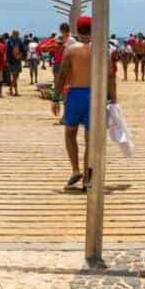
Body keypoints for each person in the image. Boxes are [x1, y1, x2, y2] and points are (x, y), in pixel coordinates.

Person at [58, 16, 107, 190]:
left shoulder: (70, 50)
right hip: (94, 95)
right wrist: (110, 97)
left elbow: (63, 75)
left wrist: (56, 98)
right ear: (93, 30)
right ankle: (87, 176)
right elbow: (108, 75)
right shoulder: (101, 49)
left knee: (70, 133)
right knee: (90, 139)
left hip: (75, 93)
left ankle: (75, 169)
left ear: (77, 31)